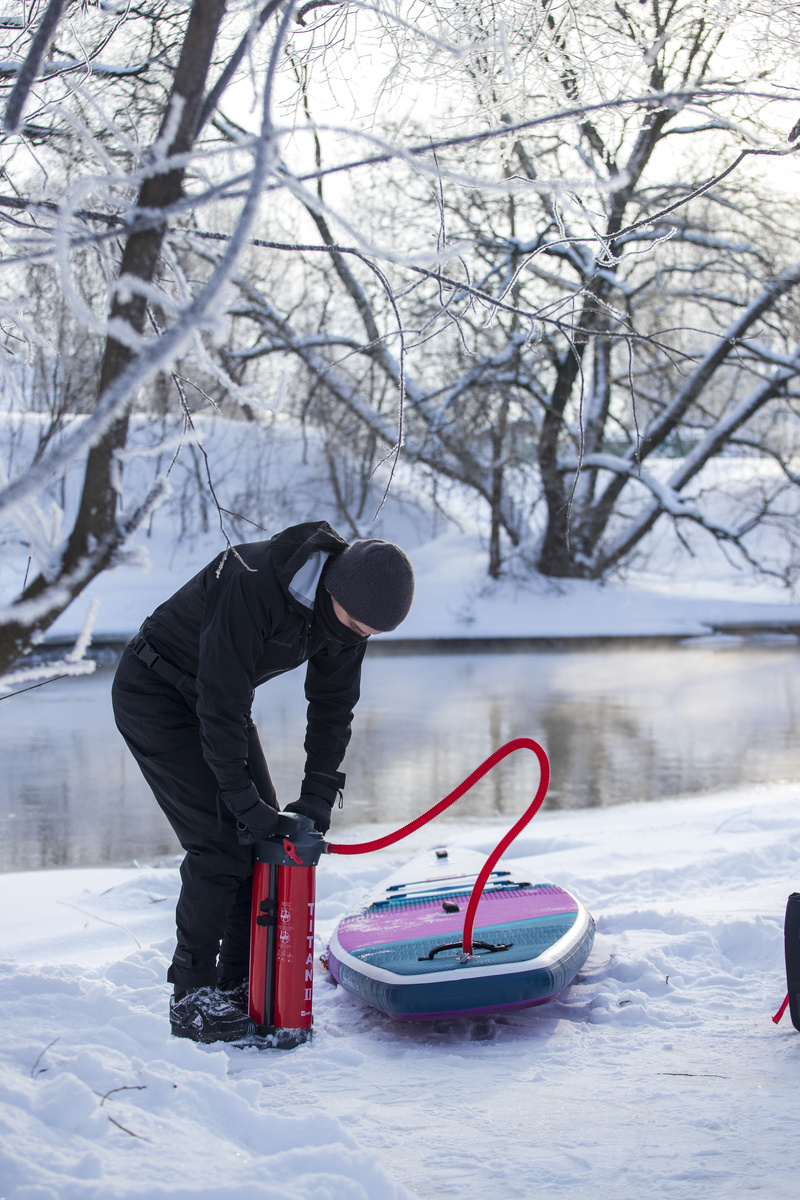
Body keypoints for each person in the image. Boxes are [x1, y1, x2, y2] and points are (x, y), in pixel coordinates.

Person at [111, 520, 414, 1043]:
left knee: (262, 846)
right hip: (156, 690)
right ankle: (191, 997)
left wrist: (318, 795)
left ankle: (233, 985)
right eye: (354, 623)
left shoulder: (349, 614)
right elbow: (222, 700)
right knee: (220, 842)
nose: (357, 636)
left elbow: (333, 707)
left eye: (371, 633)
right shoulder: (253, 579)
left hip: (218, 704)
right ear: (331, 589)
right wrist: (242, 801)